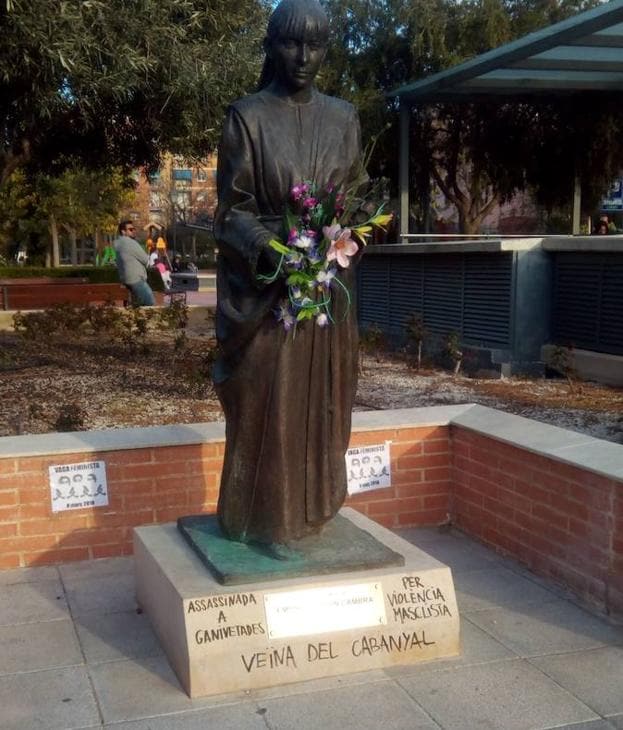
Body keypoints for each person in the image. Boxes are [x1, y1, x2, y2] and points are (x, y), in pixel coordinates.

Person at [213, 0, 365, 555]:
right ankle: (270, 521)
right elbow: (232, 212)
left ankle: (315, 510)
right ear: (271, 46)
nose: (303, 57)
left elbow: (358, 199)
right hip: (270, 292)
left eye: (316, 45)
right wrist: (273, 249)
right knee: (272, 406)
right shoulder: (247, 117)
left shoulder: (344, 117)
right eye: (291, 44)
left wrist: (338, 243)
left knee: (325, 403)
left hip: (326, 291)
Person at [114, 220, 155, 306]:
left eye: (134, 229)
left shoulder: (118, 243)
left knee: (137, 306)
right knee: (150, 304)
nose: (133, 231)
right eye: (130, 229)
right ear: (123, 231)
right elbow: (146, 259)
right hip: (136, 279)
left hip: (125, 279)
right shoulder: (130, 242)